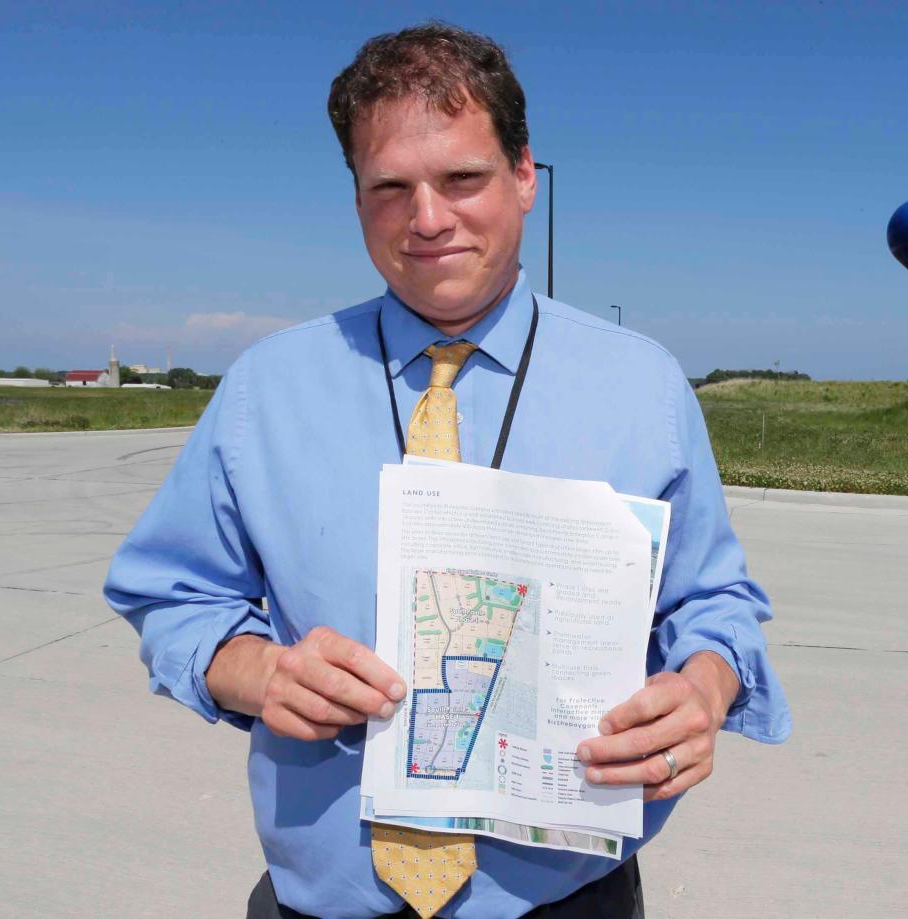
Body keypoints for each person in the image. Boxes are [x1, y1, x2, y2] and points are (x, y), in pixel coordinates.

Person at [105, 21, 790, 919]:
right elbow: (173, 596)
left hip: (570, 895)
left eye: (462, 178)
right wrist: (256, 672)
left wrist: (702, 689)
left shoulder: (644, 389)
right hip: (326, 903)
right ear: (356, 200)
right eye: (390, 187)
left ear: (524, 177)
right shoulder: (263, 393)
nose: (428, 219)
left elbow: (715, 603)